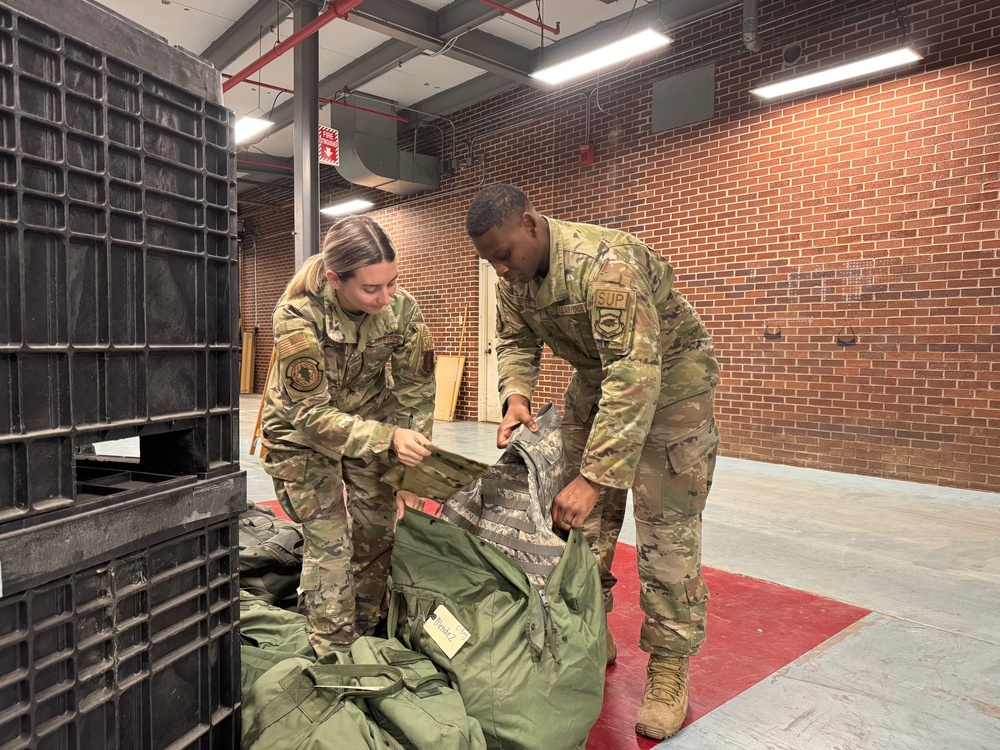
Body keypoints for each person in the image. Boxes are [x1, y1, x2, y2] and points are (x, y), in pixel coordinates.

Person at [466, 184, 720, 741]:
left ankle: (669, 667)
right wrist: (516, 396)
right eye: (491, 262)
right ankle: (588, 627)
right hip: (599, 382)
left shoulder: (607, 268)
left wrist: (594, 476)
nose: (501, 270)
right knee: (578, 522)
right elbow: (514, 340)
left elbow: (635, 374)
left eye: (505, 254)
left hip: (670, 387)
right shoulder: (515, 279)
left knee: (666, 531)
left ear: (531, 224)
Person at [261, 215, 435, 655]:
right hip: (301, 434)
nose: (386, 297)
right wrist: (388, 439)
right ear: (336, 279)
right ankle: (334, 650)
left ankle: (366, 630)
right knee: (330, 541)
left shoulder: (401, 309)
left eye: (392, 282)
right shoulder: (297, 315)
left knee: (378, 531)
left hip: (372, 421)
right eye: (371, 288)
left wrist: (410, 474)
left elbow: (416, 393)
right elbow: (311, 415)